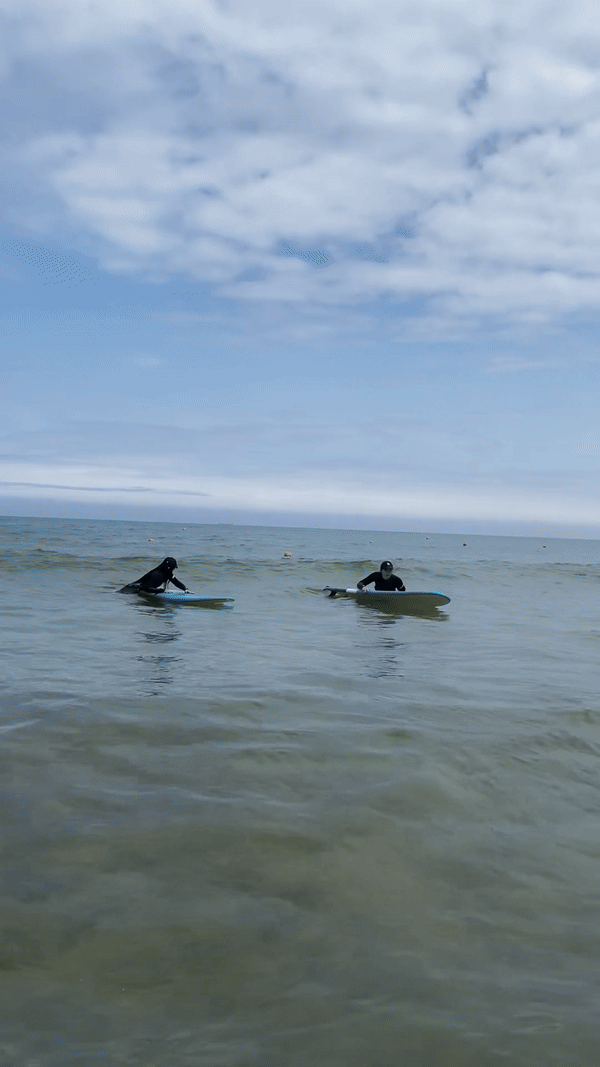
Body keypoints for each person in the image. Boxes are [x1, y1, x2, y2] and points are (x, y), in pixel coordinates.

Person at [119, 556, 188, 594]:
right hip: (130, 591)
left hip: (136, 589)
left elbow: (175, 581)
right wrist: (161, 591)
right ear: (168, 567)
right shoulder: (157, 575)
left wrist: (185, 589)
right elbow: (147, 588)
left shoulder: (167, 573)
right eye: (173, 567)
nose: (173, 569)